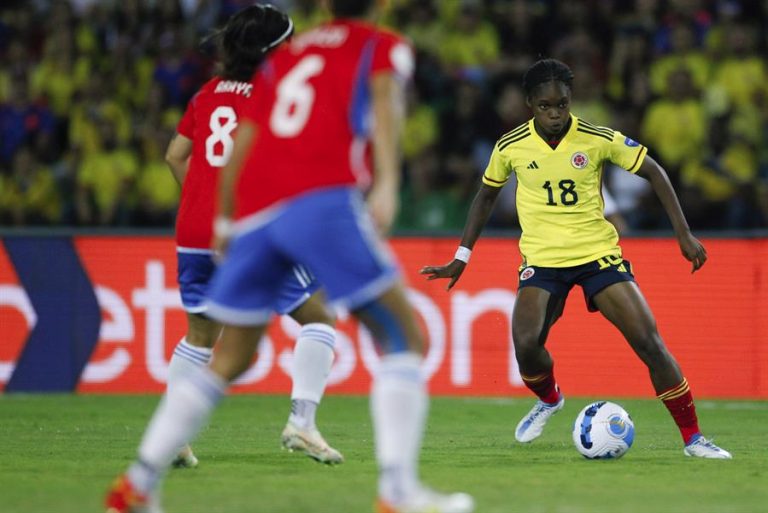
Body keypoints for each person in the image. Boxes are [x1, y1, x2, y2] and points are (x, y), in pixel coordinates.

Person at [105, 2, 474, 513]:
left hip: (253, 218)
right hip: (318, 201)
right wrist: (387, 185)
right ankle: (397, 491)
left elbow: (239, 145)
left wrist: (228, 220)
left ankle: (137, 485)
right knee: (404, 335)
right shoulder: (380, 45)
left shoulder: (285, 58)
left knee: (231, 356)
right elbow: (386, 104)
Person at [420, 58, 732, 460]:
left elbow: (654, 172)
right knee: (526, 346)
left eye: (562, 104)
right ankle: (550, 399)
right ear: (530, 103)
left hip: (597, 254)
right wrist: (462, 256)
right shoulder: (510, 146)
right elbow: (485, 197)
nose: (555, 114)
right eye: (546, 106)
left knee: (649, 342)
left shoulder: (596, 138)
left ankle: (694, 439)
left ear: (570, 100)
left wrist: (683, 233)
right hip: (544, 260)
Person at [160, 4, 342, 469]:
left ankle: (173, 437)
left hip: (196, 230)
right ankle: (302, 422)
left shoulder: (206, 94)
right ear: (276, 48)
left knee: (201, 335)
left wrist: (201, 202)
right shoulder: (275, 94)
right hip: (247, 228)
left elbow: (175, 156)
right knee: (319, 317)